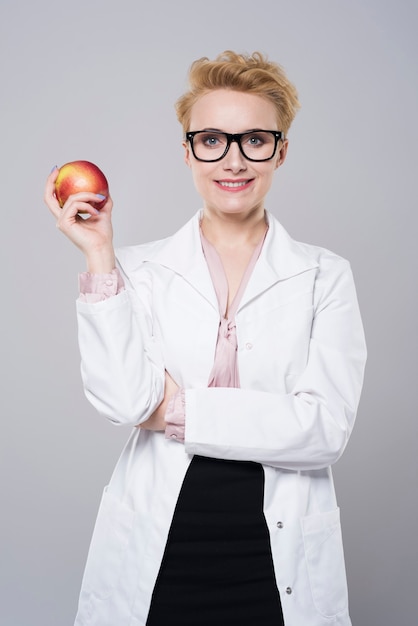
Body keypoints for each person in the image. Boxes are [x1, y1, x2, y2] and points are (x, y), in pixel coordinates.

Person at [44, 50, 367, 626]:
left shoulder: (325, 274)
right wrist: (99, 254)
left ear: (281, 150)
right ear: (188, 150)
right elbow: (124, 402)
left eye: (255, 140)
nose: (233, 159)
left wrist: (178, 409)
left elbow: (325, 430)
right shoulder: (135, 271)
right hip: (161, 549)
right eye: (212, 139)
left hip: (276, 554)